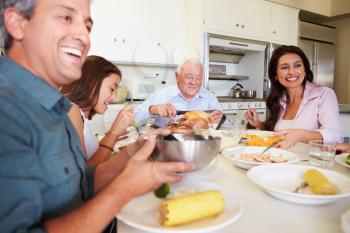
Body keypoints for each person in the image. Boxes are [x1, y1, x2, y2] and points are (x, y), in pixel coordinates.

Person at [0, 1, 193, 233]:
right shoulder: (7, 110)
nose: (84, 36)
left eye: (88, 26)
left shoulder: (57, 108)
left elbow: (80, 186)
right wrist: (124, 189)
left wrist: (128, 155)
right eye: (66, 17)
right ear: (17, 23)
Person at [245, 45, 342, 148]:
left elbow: (336, 135)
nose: (291, 72)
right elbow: (276, 134)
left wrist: (300, 135)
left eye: (297, 65)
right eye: (284, 67)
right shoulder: (279, 99)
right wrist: (258, 124)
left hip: (311, 162)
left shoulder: (324, 94)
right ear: (276, 75)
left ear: (305, 70)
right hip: (281, 159)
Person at [61, 55, 135, 166]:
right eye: (112, 89)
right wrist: (112, 134)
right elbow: (82, 175)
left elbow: (87, 156)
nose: (114, 98)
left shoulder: (81, 115)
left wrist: (109, 139)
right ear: (92, 82)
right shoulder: (71, 111)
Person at [135, 58, 223, 127]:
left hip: (201, 145)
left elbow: (223, 126)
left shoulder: (210, 97)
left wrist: (219, 120)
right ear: (177, 77)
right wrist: (151, 109)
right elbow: (134, 119)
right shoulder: (163, 94)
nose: (193, 82)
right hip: (170, 145)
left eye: (198, 78)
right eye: (189, 76)